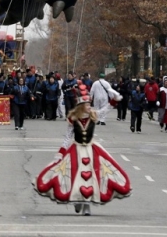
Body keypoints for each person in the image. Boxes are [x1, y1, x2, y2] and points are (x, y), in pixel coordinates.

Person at [34, 85, 131, 215]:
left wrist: (115, 99)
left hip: (91, 149)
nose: (89, 106)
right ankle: (78, 201)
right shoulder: (73, 119)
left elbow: (107, 109)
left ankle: (87, 206)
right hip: (77, 149)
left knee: (91, 177)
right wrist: (61, 153)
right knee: (76, 176)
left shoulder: (93, 115)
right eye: (87, 104)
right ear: (81, 106)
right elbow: (68, 137)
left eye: (89, 104)